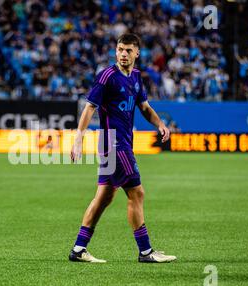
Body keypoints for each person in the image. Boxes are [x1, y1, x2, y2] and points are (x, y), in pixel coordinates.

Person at [69, 33, 177, 263]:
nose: (123, 54)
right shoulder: (107, 76)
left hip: (123, 142)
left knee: (104, 197)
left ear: (137, 53)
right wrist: (78, 137)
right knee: (137, 193)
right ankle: (146, 251)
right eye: (120, 49)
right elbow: (90, 108)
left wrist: (160, 124)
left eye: (128, 50)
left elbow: (145, 107)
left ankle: (79, 248)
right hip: (113, 143)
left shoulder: (136, 77)